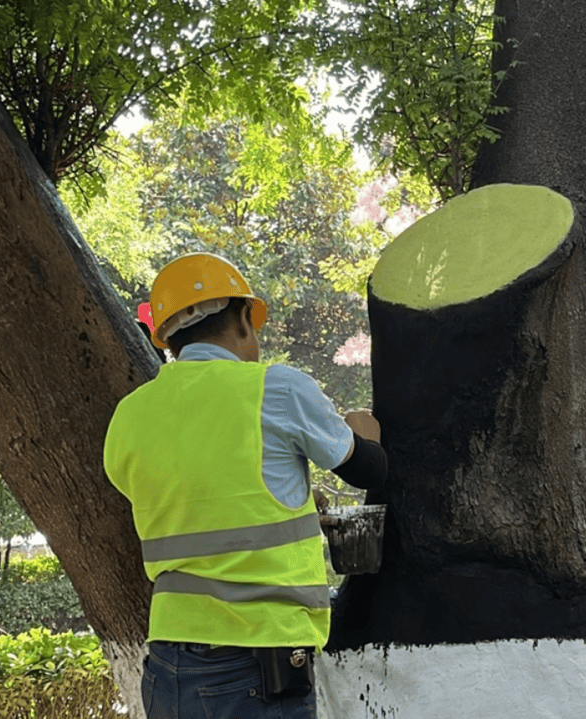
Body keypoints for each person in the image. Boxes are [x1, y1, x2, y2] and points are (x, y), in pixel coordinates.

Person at [103, 252, 387, 719]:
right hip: (257, 664)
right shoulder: (276, 388)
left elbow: (193, 497)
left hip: (167, 667)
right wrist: (365, 432)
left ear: (169, 339)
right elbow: (368, 472)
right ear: (240, 319)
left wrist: (288, 501)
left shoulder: (130, 415)